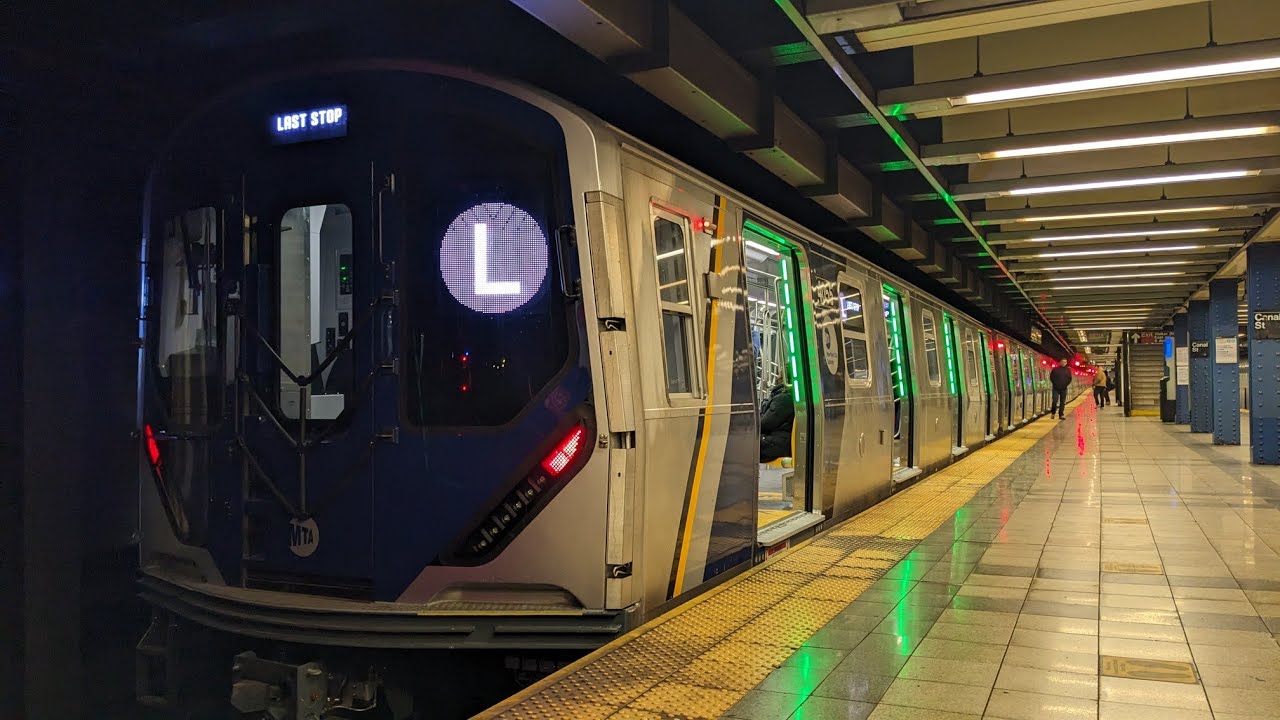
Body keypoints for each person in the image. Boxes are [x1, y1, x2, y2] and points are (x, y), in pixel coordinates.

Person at [759, 379, 794, 462]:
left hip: (780, 442)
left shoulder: (783, 399)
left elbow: (765, 424)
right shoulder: (787, 396)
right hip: (783, 440)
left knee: (745, 444)